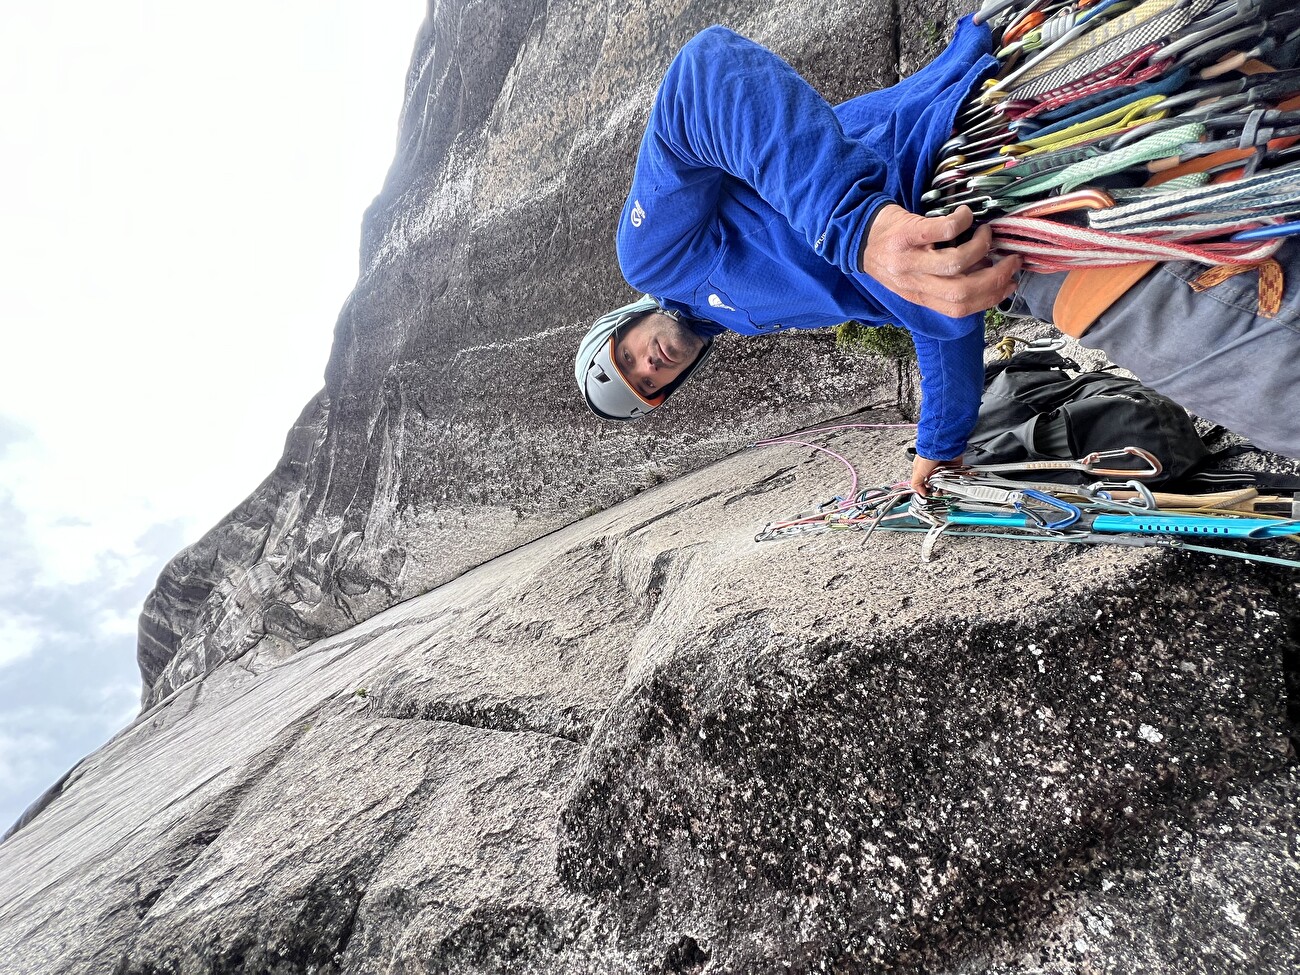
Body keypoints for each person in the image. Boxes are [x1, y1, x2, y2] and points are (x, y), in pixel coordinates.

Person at [574, 19, 1300, 491]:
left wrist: (855, 225)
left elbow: (702, 77)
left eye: (627, 356)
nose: (649, 366)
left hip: (1013, 178)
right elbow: (927, 300)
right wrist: (942, 442)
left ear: (623, 323)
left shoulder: (655, 257)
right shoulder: (738, 313)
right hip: (1003, 217)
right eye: (646, 386)